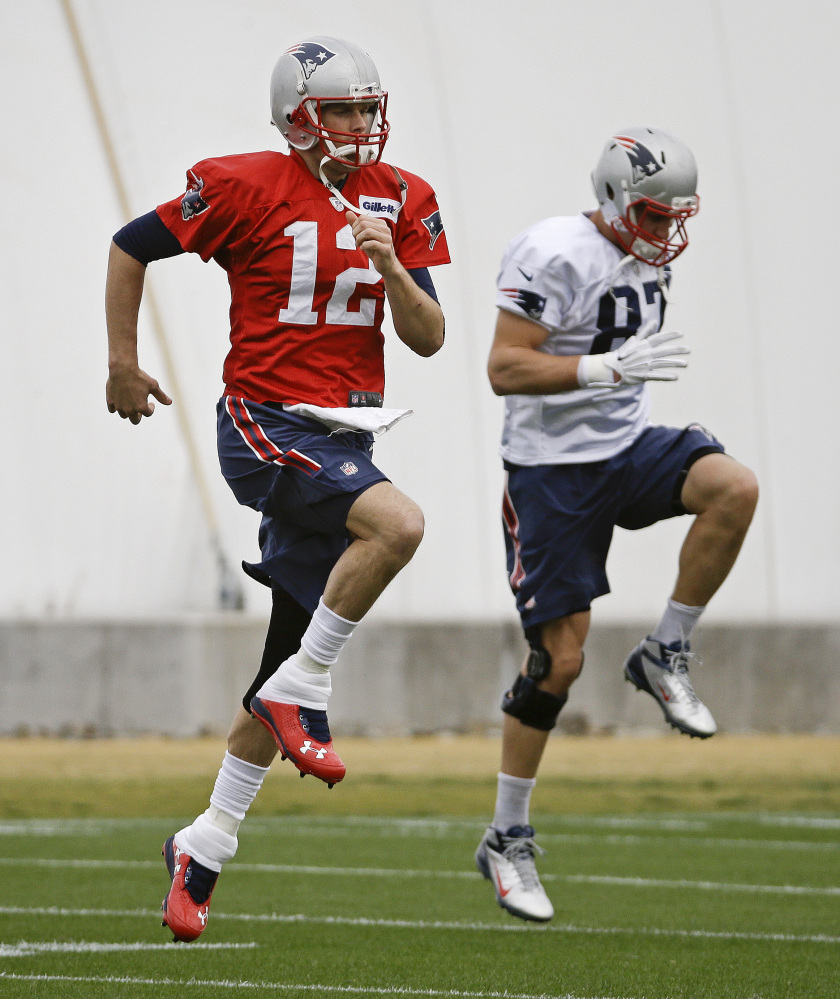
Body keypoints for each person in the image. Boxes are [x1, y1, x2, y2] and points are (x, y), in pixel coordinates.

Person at [105, 36, 449, 942]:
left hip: (348, 431)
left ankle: (203, 843)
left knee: (282, 660)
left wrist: (390, 265)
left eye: (370, 109)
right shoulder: (242, 183)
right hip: (268, 420)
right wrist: (122, 361)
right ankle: (309, 686)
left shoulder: (403, 197)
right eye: (343, 110)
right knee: (401, 525)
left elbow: (429, 338)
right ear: (299, 114)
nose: (362, 127)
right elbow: (131, 245)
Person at [474, 127, 758, 923]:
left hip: (626, 450)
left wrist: (617, 382)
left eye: (676, 217)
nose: (666, 232)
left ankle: (665, 648)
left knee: (732, 487)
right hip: (550, 474)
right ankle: (506, 835)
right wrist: (601, 368)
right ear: (608, 196)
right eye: (651, 214)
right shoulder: (553, 251)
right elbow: (504, 366)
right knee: (558, 662)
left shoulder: (647, 255)